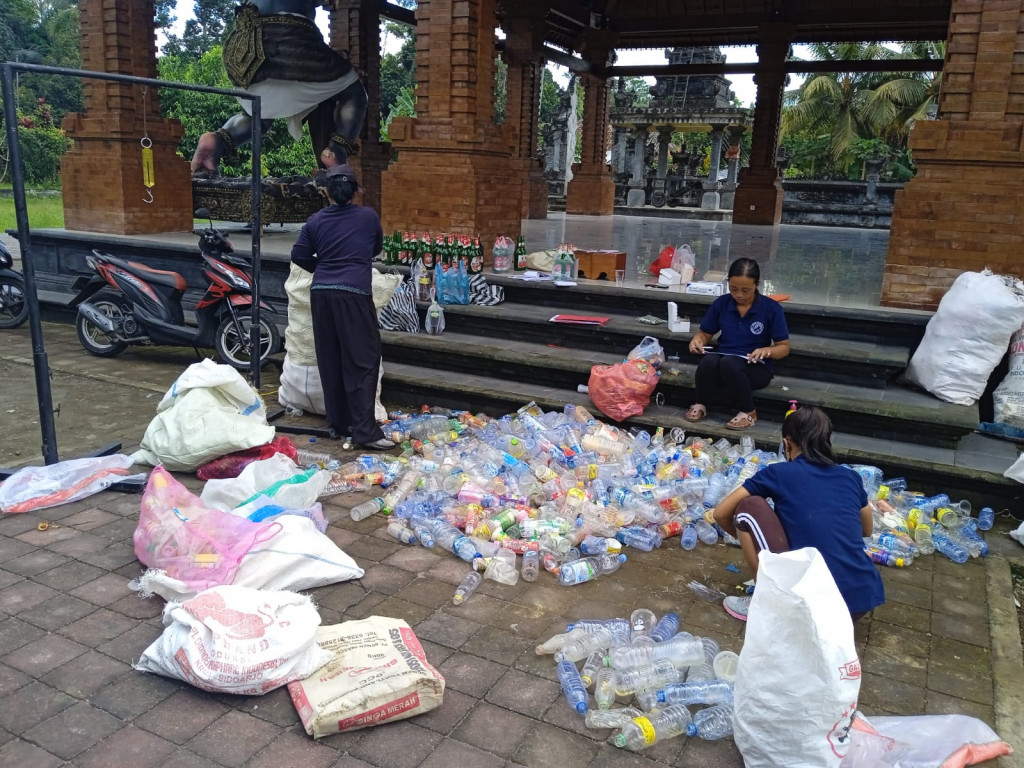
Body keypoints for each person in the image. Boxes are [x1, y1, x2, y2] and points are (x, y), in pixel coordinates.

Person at [712, 406, 884, 622]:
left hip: (809, 604)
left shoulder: (778, 473)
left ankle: (766, 604)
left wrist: (750, 542)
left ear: (786, 443)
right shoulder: (850, 477)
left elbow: (720, 513)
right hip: (858, 602)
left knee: (749, 508)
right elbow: (866, 529)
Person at [191, 0, 367, 176]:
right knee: (354, 92)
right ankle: (336, 152)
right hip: (289, 38)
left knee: (260, 115)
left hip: (242, 49)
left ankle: (218, 139)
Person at [290, 164, 393, 450]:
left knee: (330, 357)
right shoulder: (367, 217)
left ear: (328, 193)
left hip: (321, 293)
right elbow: (374, 248)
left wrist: (323, 267)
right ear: (356, 190)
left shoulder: (315, 220)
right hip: (353, 294)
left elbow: (298, 254)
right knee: (362, 360)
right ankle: (364, 431)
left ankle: (338, 423)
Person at [685, 258, 790, 430]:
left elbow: (784, 347)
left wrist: (767, 351)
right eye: (734, 289)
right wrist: (698, 340)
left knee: (730, 363)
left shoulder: (771, 309)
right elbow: (705, 333)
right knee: (709, 361)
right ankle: (700, 403)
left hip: (755, 366)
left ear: (757, 285)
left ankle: (749, 412)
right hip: (723, 360)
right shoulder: (722, 303)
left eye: (746, 290)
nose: (739, 295)